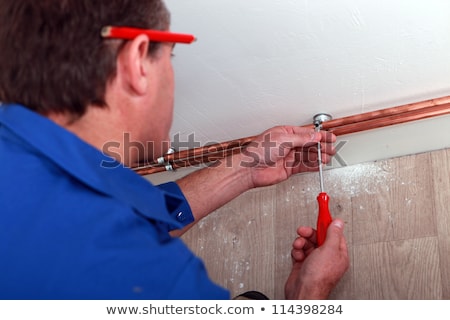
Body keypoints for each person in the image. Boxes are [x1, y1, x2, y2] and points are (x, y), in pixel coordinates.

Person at [0, 0, 348, 299]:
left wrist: (247, 167)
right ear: (137, 60)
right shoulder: (146, 280)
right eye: (172, 55)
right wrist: (309, 294)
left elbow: (137, 212)